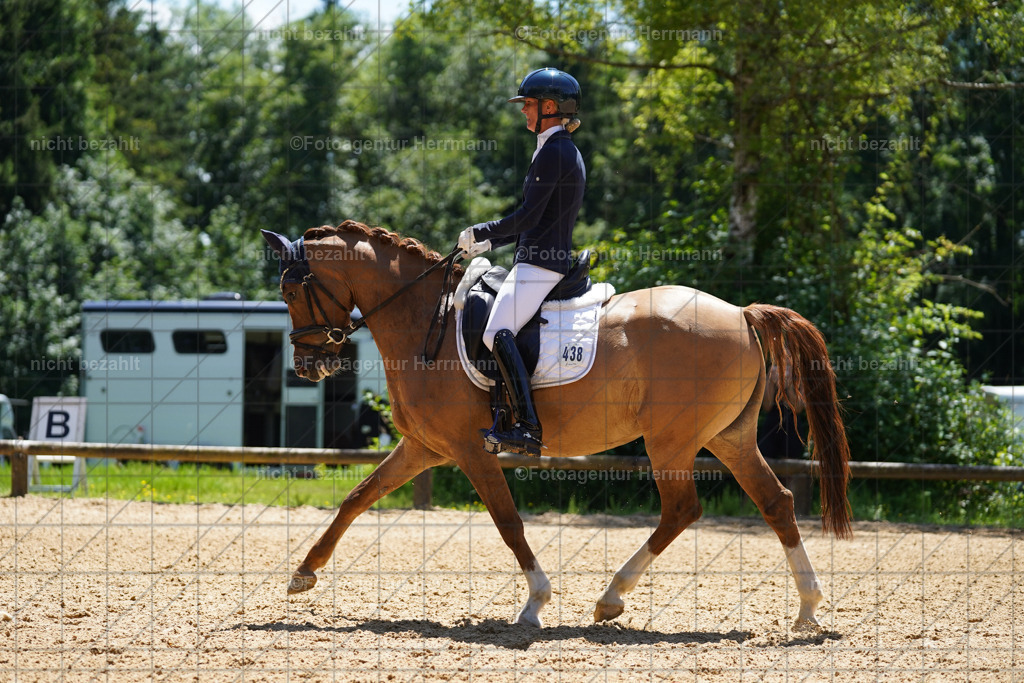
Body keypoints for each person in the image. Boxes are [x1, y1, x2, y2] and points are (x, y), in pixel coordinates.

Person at [457, 67, 586, 455]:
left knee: (495, 332)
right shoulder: (556, 148)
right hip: (537, 258)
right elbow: (534, 219)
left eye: (528, 105)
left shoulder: (556, 152)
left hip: (540, 265)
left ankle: (529, 426)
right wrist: (490, 242)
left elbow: (528, 217)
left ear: (549, 107)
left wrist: (482, 231)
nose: (523, 112)